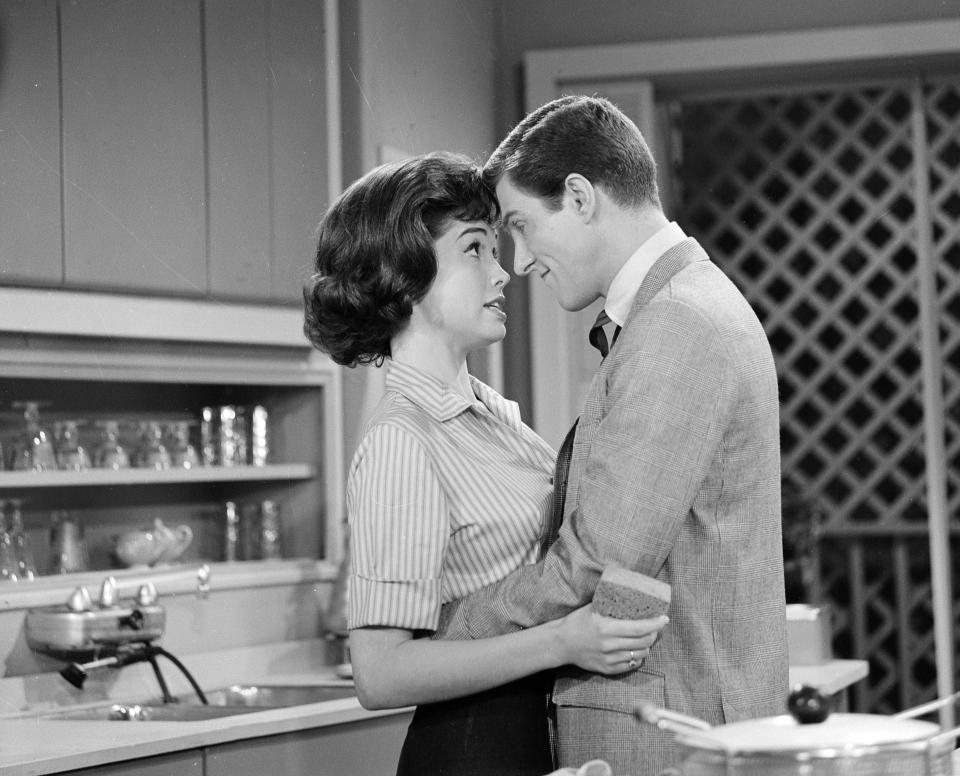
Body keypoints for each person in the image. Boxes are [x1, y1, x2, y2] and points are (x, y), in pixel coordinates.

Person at [436, 96, 789, 774]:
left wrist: (448, 626)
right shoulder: (679, 310)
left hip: (667, 738)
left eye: (521, 225)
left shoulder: (680, 323)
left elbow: (597, 559)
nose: (522, 259)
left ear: (579, 196)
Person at [302, 152, 668, 776]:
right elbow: (380, 674)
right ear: (404, 275)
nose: (504, 274)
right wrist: (564, 639)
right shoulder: (403, 439)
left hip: (527, 738)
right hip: (473, 749)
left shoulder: (493, 420)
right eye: (475, 251)